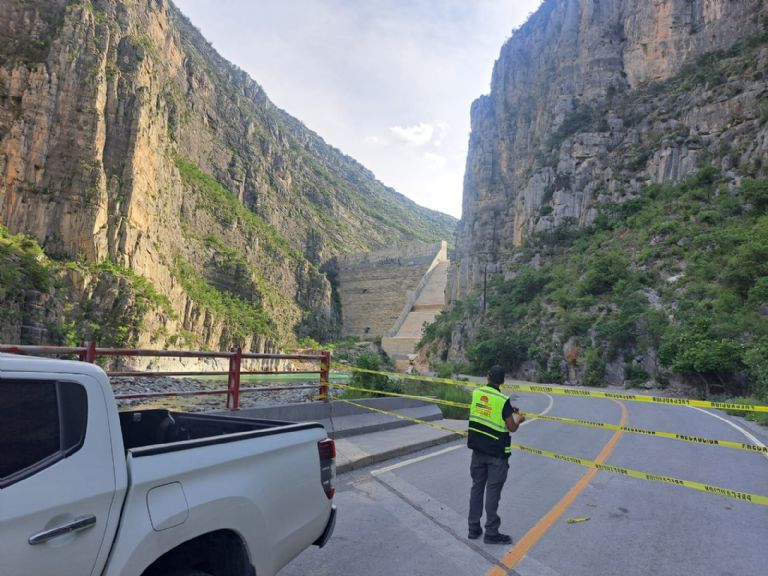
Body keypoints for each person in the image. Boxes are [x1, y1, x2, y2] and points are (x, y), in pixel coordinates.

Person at [467, 364, 525, 544]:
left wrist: (508, 411)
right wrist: (519, 419)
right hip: (496, 455)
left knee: (477, 488)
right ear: (502, 381)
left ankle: (473, 529)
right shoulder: (503, 400)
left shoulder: (477, 393)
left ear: (488, 377)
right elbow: (511, 427)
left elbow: (487, 410)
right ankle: (491, 533)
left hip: (477, 451)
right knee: (492, 492)